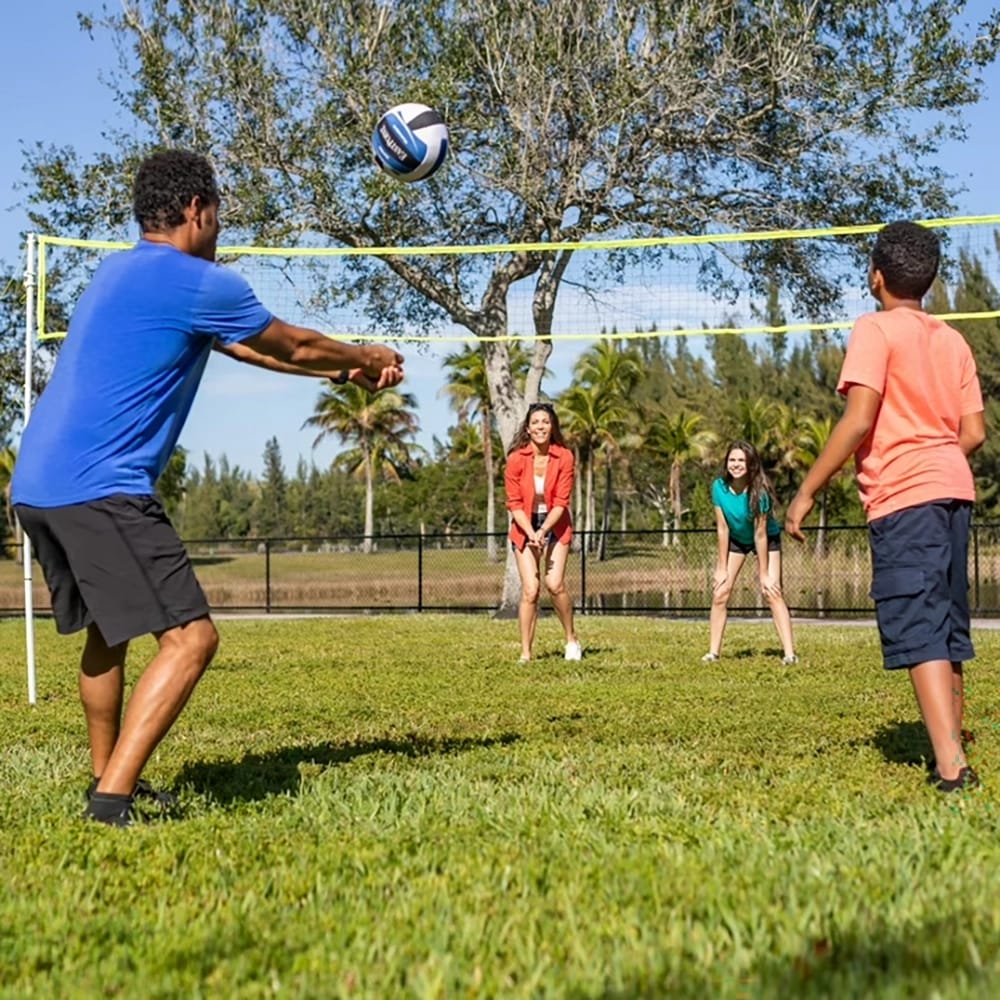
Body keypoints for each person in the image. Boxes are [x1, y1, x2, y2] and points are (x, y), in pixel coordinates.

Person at [11, 149, 405, 826]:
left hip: (38, 482)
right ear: (198, 210)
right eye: (217, 214)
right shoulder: (198, 280)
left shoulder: (117, 273)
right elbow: (294, 343)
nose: (219, 228)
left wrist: (336, 378)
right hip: (101, 485)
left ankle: (108, 779)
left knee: (109, 632)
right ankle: (110, 804)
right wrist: (366, 356)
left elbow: (248, 348)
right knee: (192, 640)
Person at [786, 220, 985, 793]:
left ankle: (951, 769)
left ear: (876, 277)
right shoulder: (952, 339)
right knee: (946, 622)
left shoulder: (873, 329)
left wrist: (808, 491)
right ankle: (953, 738)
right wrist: (938, 450)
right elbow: (974, 431)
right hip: (954, 490)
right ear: (930, 280)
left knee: (919, 623)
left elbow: (859, 419)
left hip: (905, 496)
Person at [704, 441, 797, 665]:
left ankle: (790, 654)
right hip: (737, 539)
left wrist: (764, 573)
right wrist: (721, 567)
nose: (736, 465)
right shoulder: (718, 487)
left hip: (765, 539)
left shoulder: (760, 493)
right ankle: (713, 653)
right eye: (732, 460)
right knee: (720, 593)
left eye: (741, 460)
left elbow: (761, 535)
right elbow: (722, 528)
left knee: (772, 592)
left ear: (751, 464)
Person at [504, 402, 582, 663]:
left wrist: (544, 530)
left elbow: (561, 502)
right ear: (528, 428)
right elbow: (514, 504)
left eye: (546, 422)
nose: (541, 426)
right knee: (531, 589)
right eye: (536, 422)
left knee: (554, 584)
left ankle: (571, 638)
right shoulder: (516, 459)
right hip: (524, 524)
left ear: (553, 427)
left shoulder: (564, 457)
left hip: (555, 524)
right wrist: (531, 532)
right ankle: (526, 652)